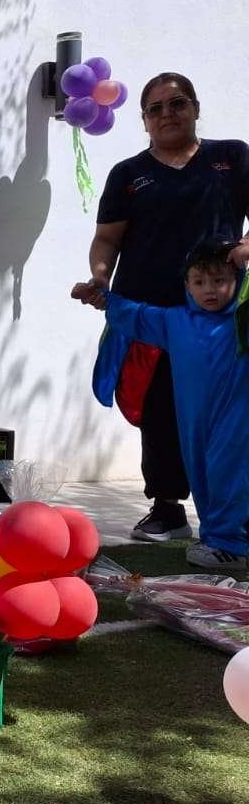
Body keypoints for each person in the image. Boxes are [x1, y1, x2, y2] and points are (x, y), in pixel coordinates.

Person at [81, 72, 249, 541]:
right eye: (155, 109)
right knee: (158, 410)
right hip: (152, 316)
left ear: (195, 108)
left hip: (221, 318)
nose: (167, 114)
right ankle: (167, 508)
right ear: (144, 120)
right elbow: (107, 238)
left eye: (177, 103)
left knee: (233, 414)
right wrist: (100, 278)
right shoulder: (127, 174)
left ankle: (238, 511)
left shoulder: (232, 157)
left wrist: (245, 247)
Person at [74, 240, 249, 569]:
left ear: (237, 280)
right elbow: (136, 315)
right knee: (201, 476)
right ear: (187, 285)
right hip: (194, 422)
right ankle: (217, 539)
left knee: (226, 474)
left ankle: (230, 546)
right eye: (200, 282)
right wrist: (101, 298)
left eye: (219, 280)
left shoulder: (242, 319)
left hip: (237, 420)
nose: (210, 289)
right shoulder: (175, 321)